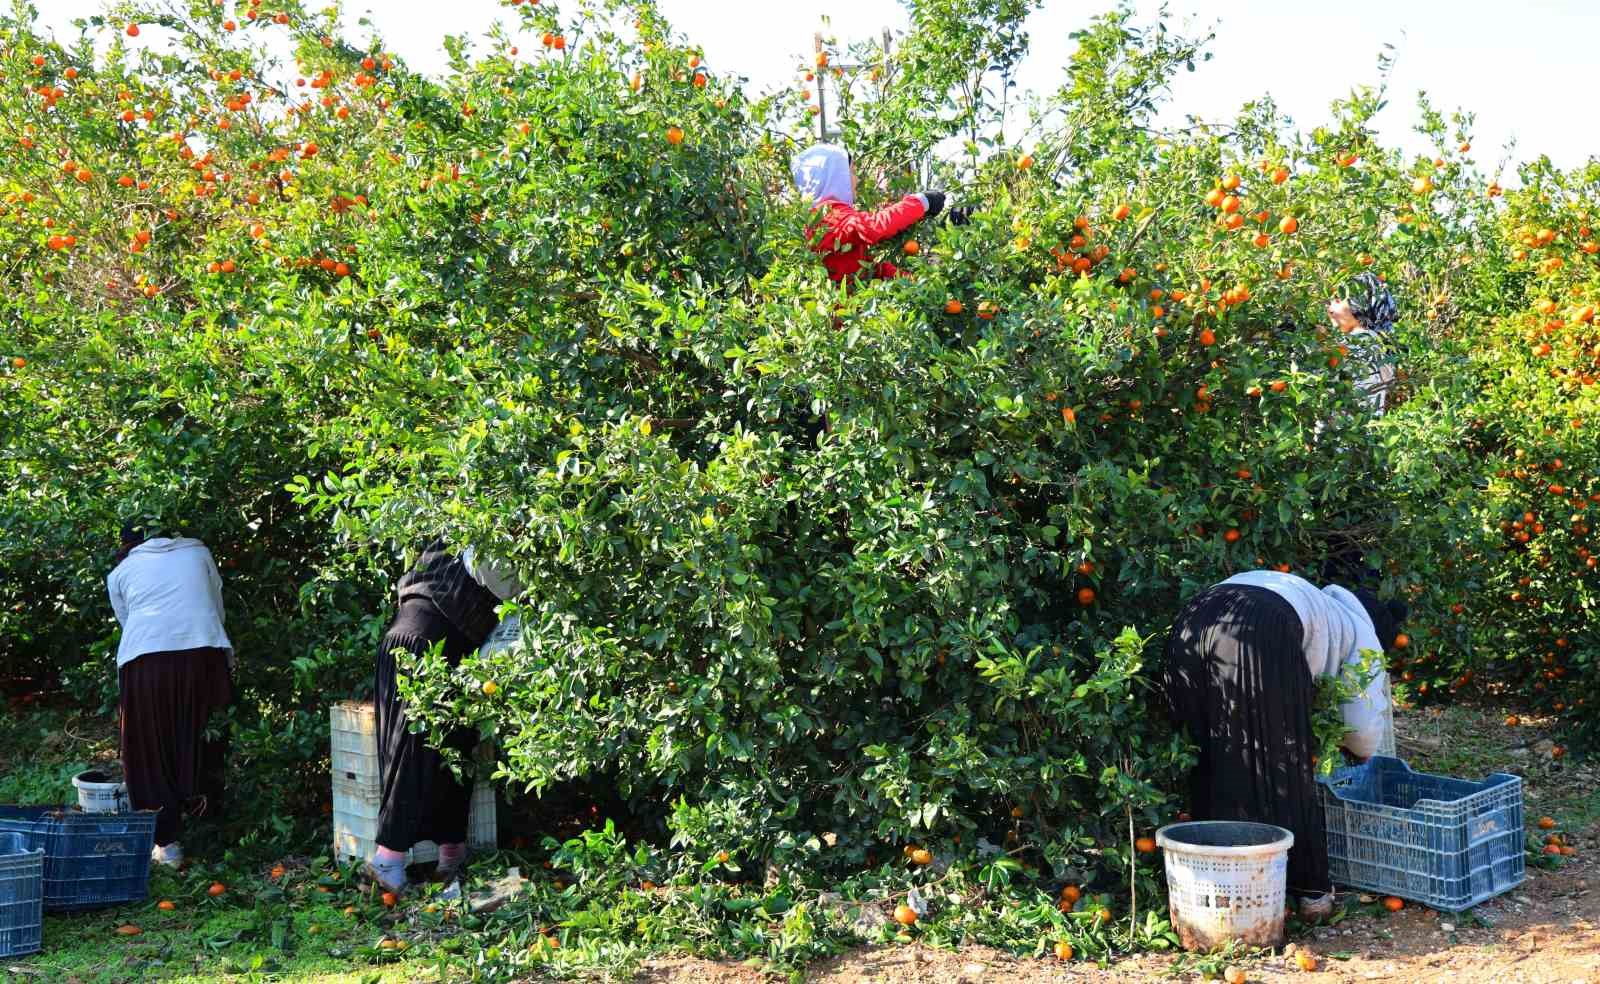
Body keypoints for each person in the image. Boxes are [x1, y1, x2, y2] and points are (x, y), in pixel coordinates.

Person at [1161, 568, 1406, 915]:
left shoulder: (1319, 602)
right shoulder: (1363, 635)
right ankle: (1312, 894)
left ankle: (1207, 885)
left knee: (1209, 755)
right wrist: (1359, 753)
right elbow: (1361, 726)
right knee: (1284, 762)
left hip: (1192, 620)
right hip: (1259, 627)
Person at [367, 541, 520, 894]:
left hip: (447, 646)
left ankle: (451, 855)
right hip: (424, 642)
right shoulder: (483, 529)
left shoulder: (460, 522)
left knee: (456, 747)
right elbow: (487, 567)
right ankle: (387, 862)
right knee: (414, 752)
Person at [106, 524, 233, 868]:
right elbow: (215, 604)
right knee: (202, 734)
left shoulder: (121, 571)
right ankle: (209, 821)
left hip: (145, 661)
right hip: (204, 652)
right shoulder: (198, 551)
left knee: (149, 746)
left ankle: (167, 842)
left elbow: (127, 623)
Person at [789, 142, 966, 285]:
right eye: (851, 171)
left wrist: (919, 285)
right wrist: (921, 202)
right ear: (835, 175)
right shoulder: (828, 214)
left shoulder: (824, 216)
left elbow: (871, 270)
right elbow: (874, 227)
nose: (856, 179)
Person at [1327, 271, 1399, 414]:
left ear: (1359, 304)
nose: (1330, 305)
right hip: (1362, 432)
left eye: (1338, 299)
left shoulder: (1359, 342)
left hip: (1342, 431)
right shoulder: (1377, 341)